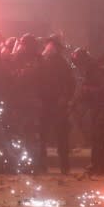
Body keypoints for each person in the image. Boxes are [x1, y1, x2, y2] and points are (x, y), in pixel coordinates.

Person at [71, 47, 104, 175]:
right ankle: (97, 164)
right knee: (96, 138)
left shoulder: (96, 69)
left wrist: (86, 91)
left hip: (102, 107)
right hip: (96, 107)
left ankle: (102, 166)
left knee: (98, 137)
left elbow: (101, 89)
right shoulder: (91, 69)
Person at [39, 35, 75, 174]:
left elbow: (70, 83)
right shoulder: (43, 62)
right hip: (45, 103)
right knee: (43, 135)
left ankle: (64, 167)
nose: (48, 47)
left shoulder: (62, 63)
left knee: (61, 136)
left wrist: (65, 98)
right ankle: (42, 166)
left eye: (51, 45)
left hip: (58, 104)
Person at [9, 34, 43, 173]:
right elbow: (13, 77)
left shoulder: (39, 59)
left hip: (32, 101)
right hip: (21, 101)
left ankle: (33, 163)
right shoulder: (18, 58)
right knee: (22, 133)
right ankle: (23, 163)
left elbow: (42, 79)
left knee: (31, 134)